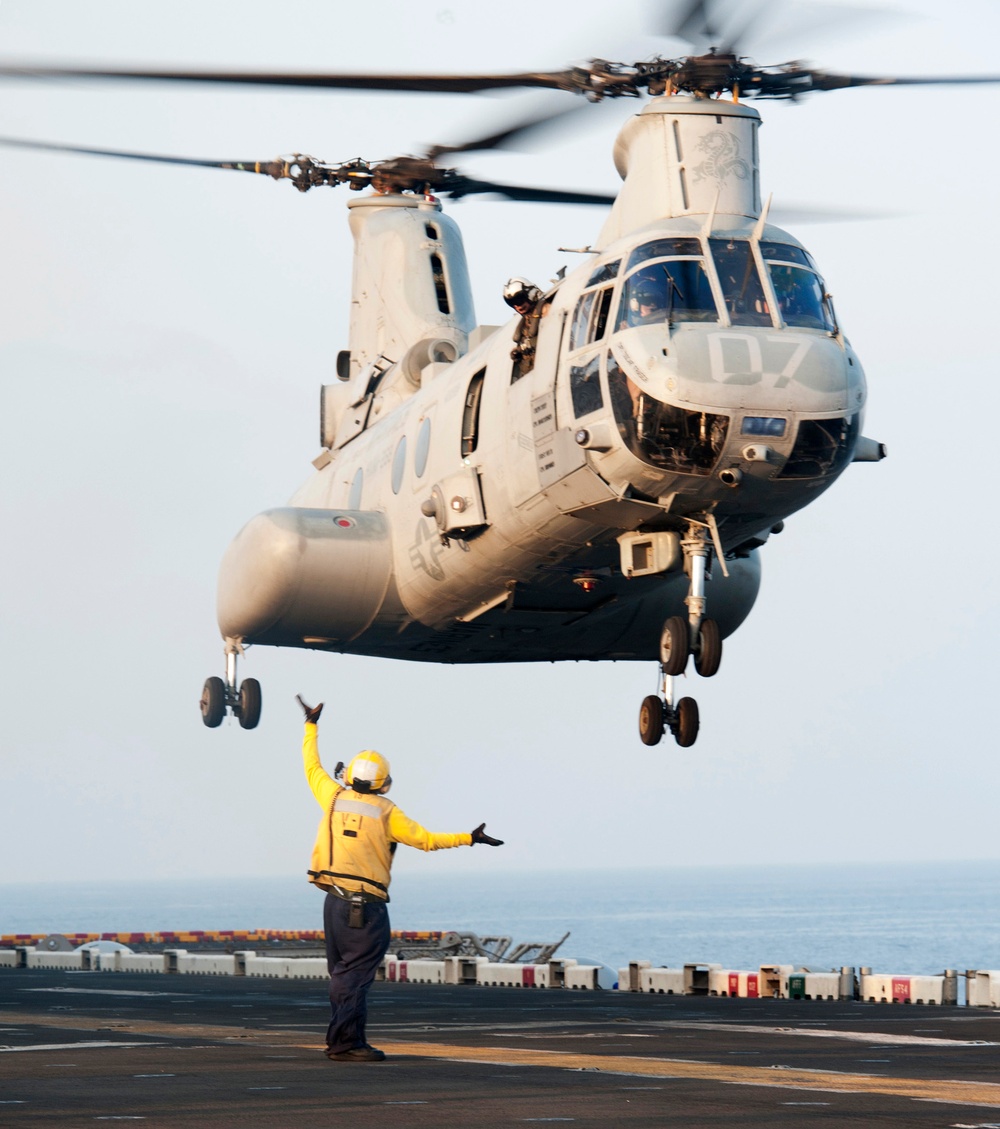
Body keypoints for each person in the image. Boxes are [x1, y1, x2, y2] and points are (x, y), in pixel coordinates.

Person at [297, 695, 504, 1063]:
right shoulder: (387, 812)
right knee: (356, 976)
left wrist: (311, 725)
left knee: (342, 973)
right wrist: (470, 838)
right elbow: (427, 840)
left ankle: (344, 1039)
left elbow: (312, 766)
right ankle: (345, 1044)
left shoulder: (332, 796)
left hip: (333, 902)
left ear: (349, 776)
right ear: (383, 783)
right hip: (365, 908)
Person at [503, 276, 544, 379]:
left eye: (519, 300)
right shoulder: (525, 324)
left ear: (530, 295)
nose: (518, 306)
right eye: (512, 303)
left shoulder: (545, 311)